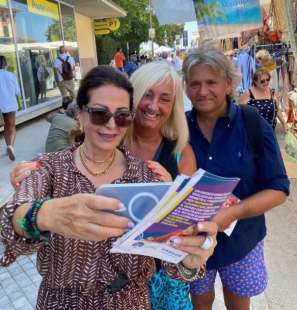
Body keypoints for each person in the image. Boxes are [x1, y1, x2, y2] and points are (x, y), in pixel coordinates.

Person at [0, 65, 218, 310]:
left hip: (130, 302)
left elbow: (171, 260)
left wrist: (190, 259)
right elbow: (10, 223)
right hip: (62, 303)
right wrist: (43, 215)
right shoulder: (50, 167)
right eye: (100, 114)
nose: (112, 124)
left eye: (122, 115)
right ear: (80, 114)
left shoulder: (148, 175)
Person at [182, 47, 290, 310]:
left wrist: (232, 213)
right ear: (186, 88)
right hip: (193, 242)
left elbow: (279, 188)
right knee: (200, 302)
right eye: (194, 84)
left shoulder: (252, 123)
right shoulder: (179, 128)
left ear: (228, 83)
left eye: (211, 82)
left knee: (238, 304)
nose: (202, 91)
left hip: (242, 240)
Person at [239, 68, 288, 132]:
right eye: (262, 81)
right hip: (253, 133)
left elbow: (277, 109)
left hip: (270, 131)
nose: (266, 82)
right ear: (255, 82)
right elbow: (239, 113)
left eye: (268, 79)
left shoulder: (271, 91)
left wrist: (284, 124)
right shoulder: (248, 93)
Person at [0, 55, 21, 161]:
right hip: (11, 104)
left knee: (6, 126)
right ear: (5, 64)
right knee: (12, 126)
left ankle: (8, 146)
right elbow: (17, 91)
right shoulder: (11, 75)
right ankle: (10, 147)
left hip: (1, 105)